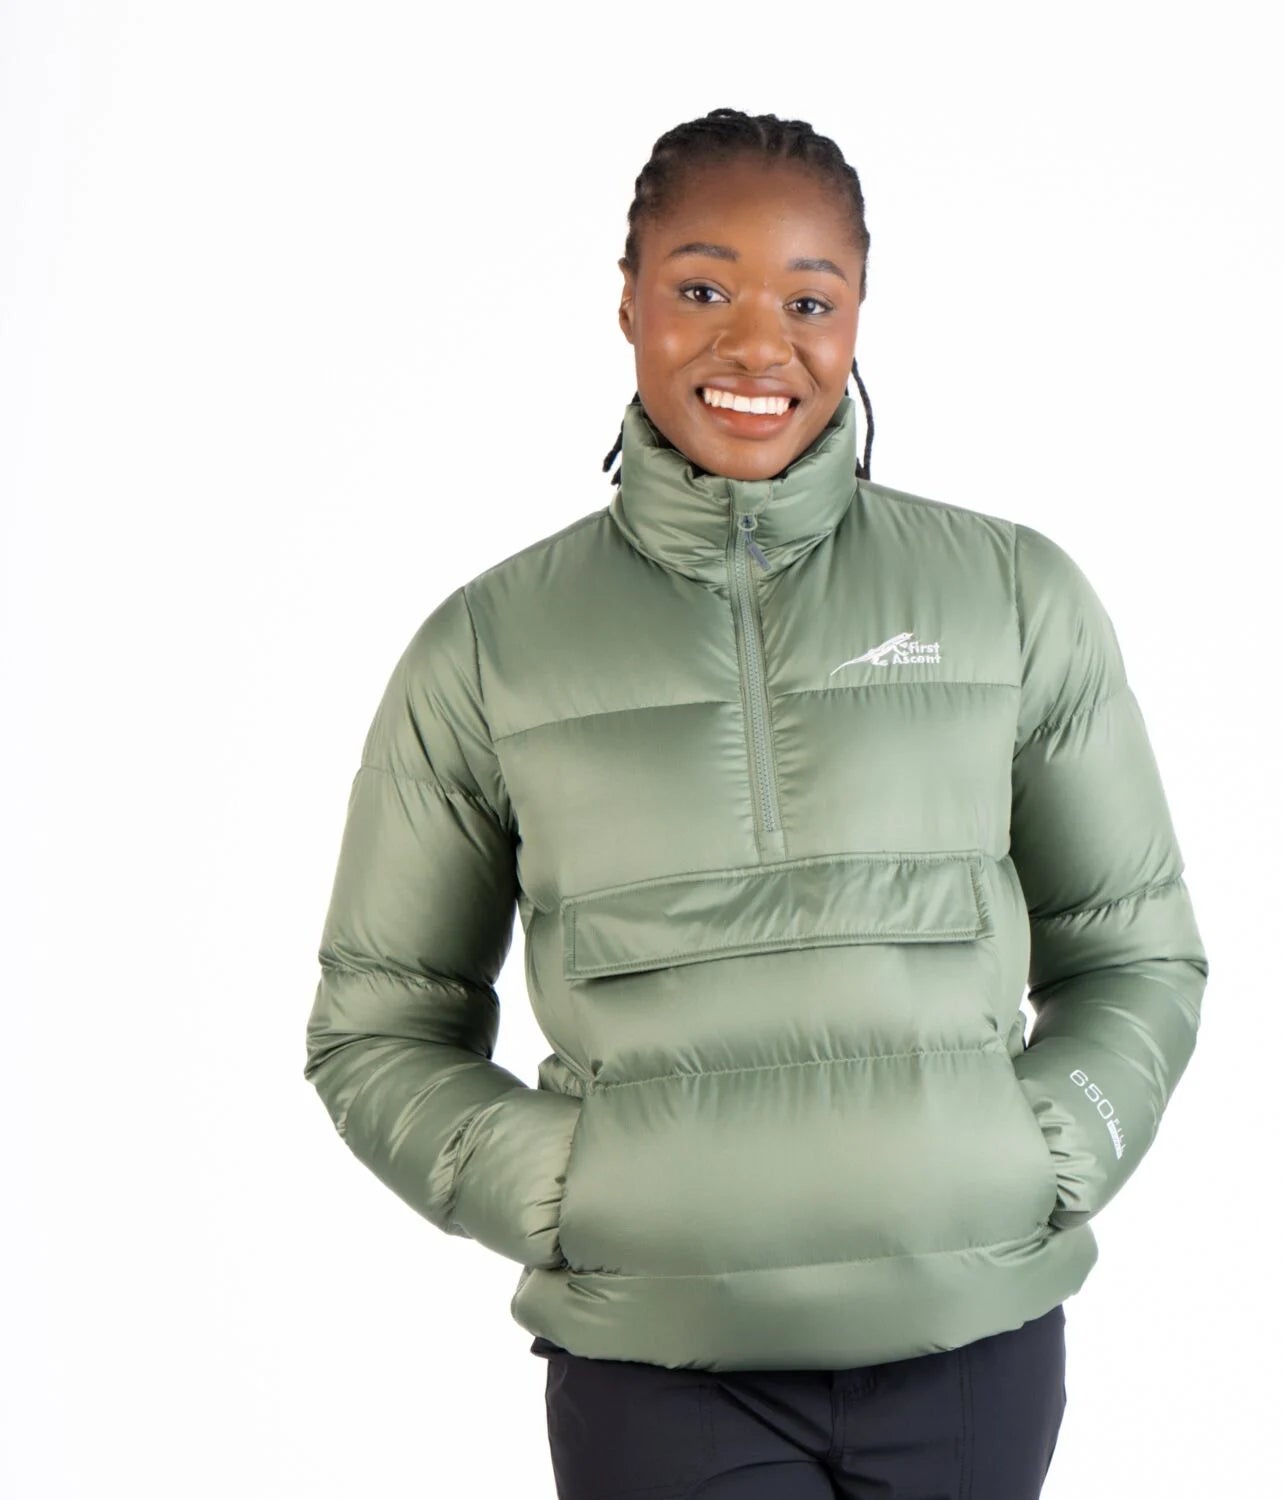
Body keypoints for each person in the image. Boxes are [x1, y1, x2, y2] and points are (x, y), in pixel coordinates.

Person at [304, 107, 1209, 1499]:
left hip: (972, 1347)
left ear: (858, 318)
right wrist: (564, 1194)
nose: (755, 345)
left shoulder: (1013, 597)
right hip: (659, 1368)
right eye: (702, 290)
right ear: (628, 301)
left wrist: (1049, 1149)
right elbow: (376, 1023)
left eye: (808, 301)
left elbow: (1135, 952)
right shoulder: (486, 649)